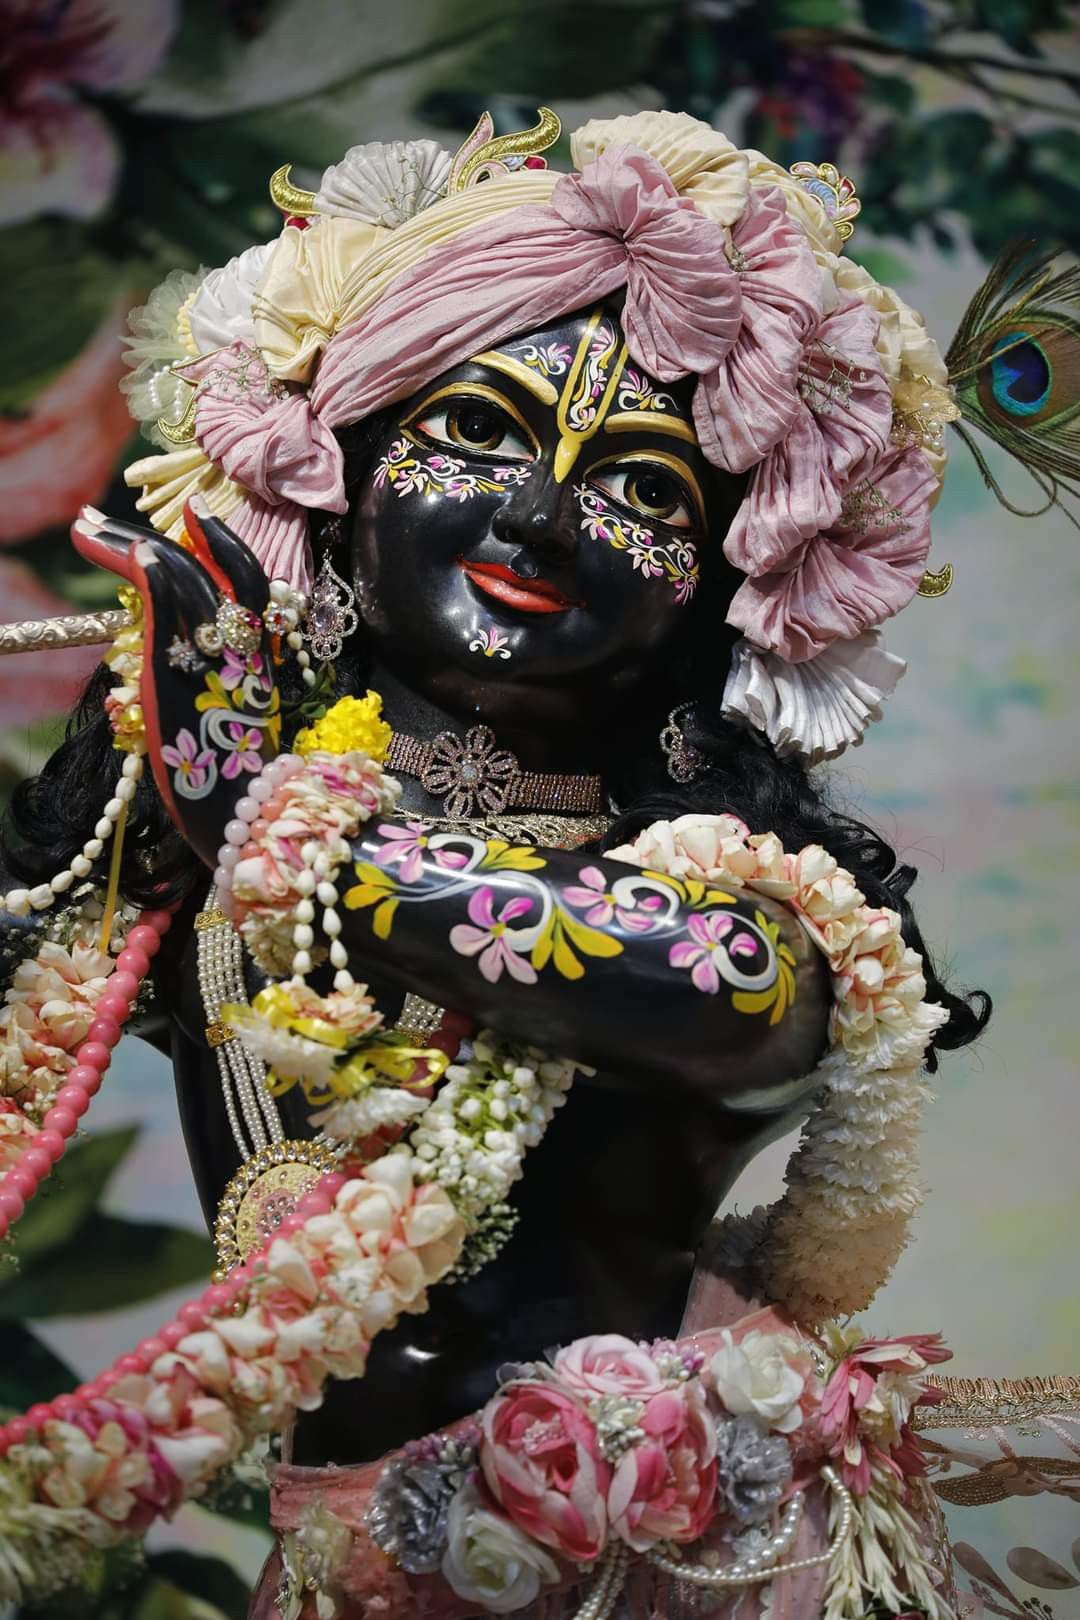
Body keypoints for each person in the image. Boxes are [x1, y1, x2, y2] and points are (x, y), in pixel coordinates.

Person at [4, 108, 1039, 1617]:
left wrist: (268, 826)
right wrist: (211, 800)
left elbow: (710, 990)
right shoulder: (183, 852)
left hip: (684, 1565)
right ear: (345, 470)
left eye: (643, 489)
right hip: (345, 1564)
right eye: (478, 431)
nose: (541, 514)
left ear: (721, 594)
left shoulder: (738, 889)